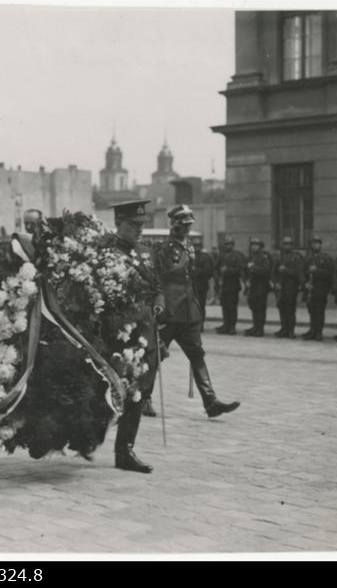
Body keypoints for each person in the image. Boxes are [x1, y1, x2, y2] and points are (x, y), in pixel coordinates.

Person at [156, 205, 240, 418]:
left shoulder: (189, 247)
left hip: (188, 311)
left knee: (197, 355)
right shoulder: (166, 248)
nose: (186, 230)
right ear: (174, 225)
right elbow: (166, 272)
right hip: (170, 309)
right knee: (154, 356)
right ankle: (143, 398)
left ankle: (210, 401)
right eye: (183, 226)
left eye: (188, 226)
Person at [103, 200, 164, 472]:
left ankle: (124, 450)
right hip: (117, 337)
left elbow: (157, 287)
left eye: (142, 226)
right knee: (110, 392)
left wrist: (159, 303)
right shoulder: (105, 253)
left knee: (138, 393)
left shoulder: (148, 253)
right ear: (119, 224)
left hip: (145, 334)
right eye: (132, 226)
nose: (139, 231)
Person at [301, 237, 334, 341]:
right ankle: (312, 330)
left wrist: (316, 270)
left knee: (319, 311)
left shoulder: (326, 258)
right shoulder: (308, 258)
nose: (314, 245)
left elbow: (329, 274)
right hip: (310, 289)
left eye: (317, 243)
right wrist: (305, 283)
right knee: (311, 311)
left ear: (320, 245)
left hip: (321, 289)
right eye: (312, 243)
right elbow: (303, 272)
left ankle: (319, 332)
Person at [272, 236, 304, 339]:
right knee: (282, 309)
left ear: (292, 246)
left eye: (289, 244)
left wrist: (285, 270)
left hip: (291, 288)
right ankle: (284, 329)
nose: (287, 246)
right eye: (285, 244)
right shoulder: (279, 257)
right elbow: (274, 272)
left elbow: (297, 273)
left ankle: (291, 331)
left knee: (290, 310)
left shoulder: (296, 257)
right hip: (280, 288)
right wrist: (275, 282)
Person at [242, 237, 273, 337]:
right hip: (252, 287)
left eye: (256, 245)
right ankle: (255, 326)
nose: (254, 247)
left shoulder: (264, 257)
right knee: (253, 307)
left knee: (260, 308)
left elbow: (266, 271)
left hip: (261, 287)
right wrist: (245, 281)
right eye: (253, 245)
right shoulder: (250, 257)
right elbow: (245, 271)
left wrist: (253, 267)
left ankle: (260, 328)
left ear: (260, 246)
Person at [215, 236, 245, 335]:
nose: (229, 246)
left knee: (232, 307)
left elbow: (240, 269)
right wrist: (218, 277)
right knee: (224, 306)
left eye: (230, 244)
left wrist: (228, 271)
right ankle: (226, 325)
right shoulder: (221, 255)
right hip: (223, 285)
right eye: (227, 244)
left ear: (233, 245)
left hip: (233, 285)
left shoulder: (237, 255)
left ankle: (232, 327)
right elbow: (216, 268)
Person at [190, 236, 214, 324]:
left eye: (198, 245)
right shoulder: (190, 256)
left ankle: (200, 324)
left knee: (201, 306)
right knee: (192, 307)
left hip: (201, 286)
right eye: (195, 245)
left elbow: (208, 271)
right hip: (191, 286)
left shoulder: (205, 257)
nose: (196, 247)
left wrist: (195, 270)